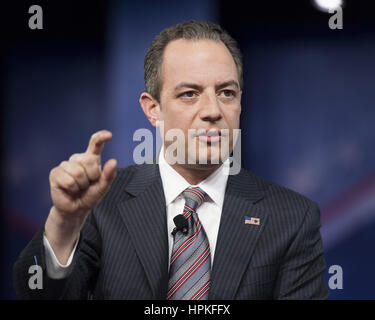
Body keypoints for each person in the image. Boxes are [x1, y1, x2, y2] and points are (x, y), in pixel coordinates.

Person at [13, 20, 329, 300]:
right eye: (190, 93)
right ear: (153, 109)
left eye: (227, 93)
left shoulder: (292, 218)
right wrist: (64, 223)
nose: (213, 111)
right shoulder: (100, 204)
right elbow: (37, 292)